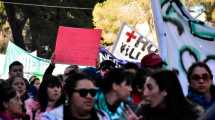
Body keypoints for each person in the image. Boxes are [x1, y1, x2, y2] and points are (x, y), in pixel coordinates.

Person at [134, 70, 203, 120]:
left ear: (164, 91)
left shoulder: (193, 113)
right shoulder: (143, 112)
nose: (145, 93)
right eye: (144, 88)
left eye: (150, 88)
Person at [41, 72, 110, 120]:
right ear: (68, 94)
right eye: (83, 92)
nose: (89, 96)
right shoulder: (50, 117)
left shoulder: (103, 116)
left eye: (93, 92)